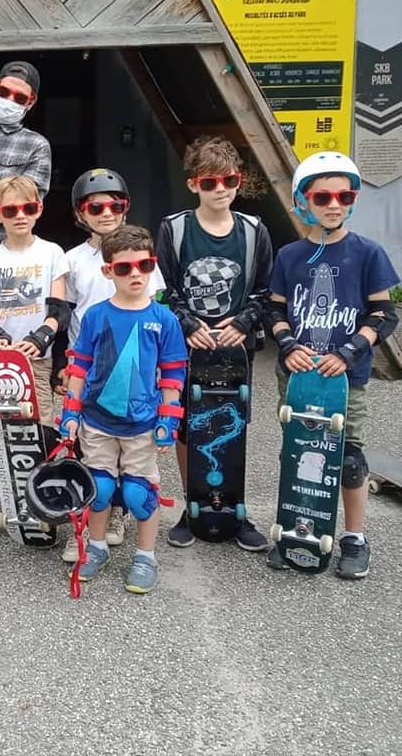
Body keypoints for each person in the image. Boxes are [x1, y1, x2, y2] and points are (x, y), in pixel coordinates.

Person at [266, 151, 399, 579]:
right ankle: (294, 530)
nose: (334, 204)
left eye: (344, 195)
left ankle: (354, 539)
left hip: (344, 379)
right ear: (304, 200)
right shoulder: (289, 255)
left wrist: (347, 353)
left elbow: (383, 315)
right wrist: (287, 346)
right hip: (299, 376)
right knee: (300, 453)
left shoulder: (367, 253)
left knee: (349, 459)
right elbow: (274, 312)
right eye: (322, 196)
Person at [155, 136, 270, 551]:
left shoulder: (254, 230)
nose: (220, 189)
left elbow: (264, 289)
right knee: (190, 425)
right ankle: (195, 506)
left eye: (229, 180)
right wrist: (187, 324)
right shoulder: (176, 228)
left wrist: (243, 321)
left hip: (234, 345)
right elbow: (164, 286)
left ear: (239, 181)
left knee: (233, 422)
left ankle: (234, 509)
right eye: (209, 182)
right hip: (190, 344)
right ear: (193, 185)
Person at [59, 225, 187, 594]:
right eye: (124, 268)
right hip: (97, 421)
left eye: (144, 266)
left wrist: (168, 418)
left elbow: (173, 375)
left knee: (138, 492)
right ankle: (95, 548)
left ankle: (146, 556)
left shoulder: (164, 319)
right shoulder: (96, 315)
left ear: (153, 266)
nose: (135, 274)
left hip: (142, 425)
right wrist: (70, 413)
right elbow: (79, 365)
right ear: (107, 271)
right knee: (98, 489)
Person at [56, 167, 166, 562]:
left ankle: (122, 518)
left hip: (135, 375)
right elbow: (65, 315)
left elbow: (158, 322)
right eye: (96, 206)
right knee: (91, 463)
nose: (107, 212)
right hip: (88, 371)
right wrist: (63, 371)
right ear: (80, 213)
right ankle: (87, 531)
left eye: (116, 205)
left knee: (134, 470)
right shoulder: (72, 260)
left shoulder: (140, 257)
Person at [0, 175, 70, 443]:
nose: (20, 216)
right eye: (10, 210)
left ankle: (39, 484)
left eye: (28, 208)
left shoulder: (52, 253)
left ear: (39, 208)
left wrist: (41, 338)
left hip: (37, 359)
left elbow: (59, 311)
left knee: (42, 431)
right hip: (0, 360)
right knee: (3, 434)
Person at [0, 61, 51, 199]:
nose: (9, 100)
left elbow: (27, 202)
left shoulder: (37, 145)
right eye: (4, 92)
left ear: (31, 102)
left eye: (20, 98)